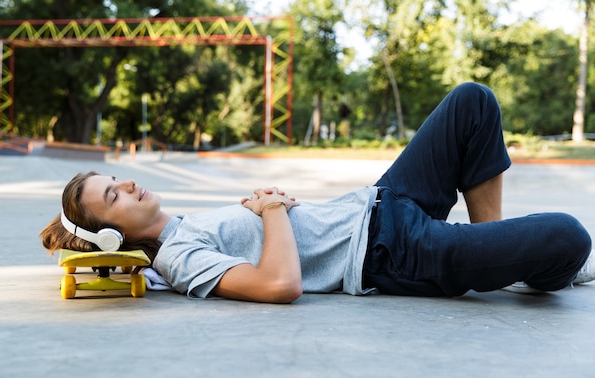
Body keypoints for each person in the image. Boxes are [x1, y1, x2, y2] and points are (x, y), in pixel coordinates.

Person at [40, 82, 594, 303]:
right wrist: (275, 211)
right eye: (114, 196)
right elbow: (280, 285)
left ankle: (489, 244)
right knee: (569, 237)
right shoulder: (181, 260)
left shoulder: (181, 230)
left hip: (380, 202)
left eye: (117, 179)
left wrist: (270, 208)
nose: (129, 184)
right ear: (115, 232)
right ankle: (525, 264)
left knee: (472, 101)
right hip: (387, 254)